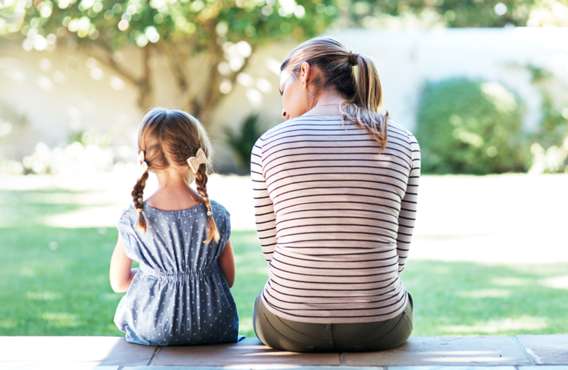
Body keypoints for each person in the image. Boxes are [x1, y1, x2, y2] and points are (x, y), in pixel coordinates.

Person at [251, 37, 420, 352]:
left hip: (289, 326)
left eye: (282, 90)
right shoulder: (402, 140)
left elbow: (272, 253)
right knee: (402, 298)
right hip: (380, 326)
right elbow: (398, 252)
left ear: (304, 73)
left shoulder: (268, 144)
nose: (283, 108)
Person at [110, 108, 239, 346]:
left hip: (153, 328)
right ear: (198, 154)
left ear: (145, 159)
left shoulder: (134, 217)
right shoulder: (216, 214)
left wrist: (156, 275)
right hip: (213, 327)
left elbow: (119, 283)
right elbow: (228, 278)